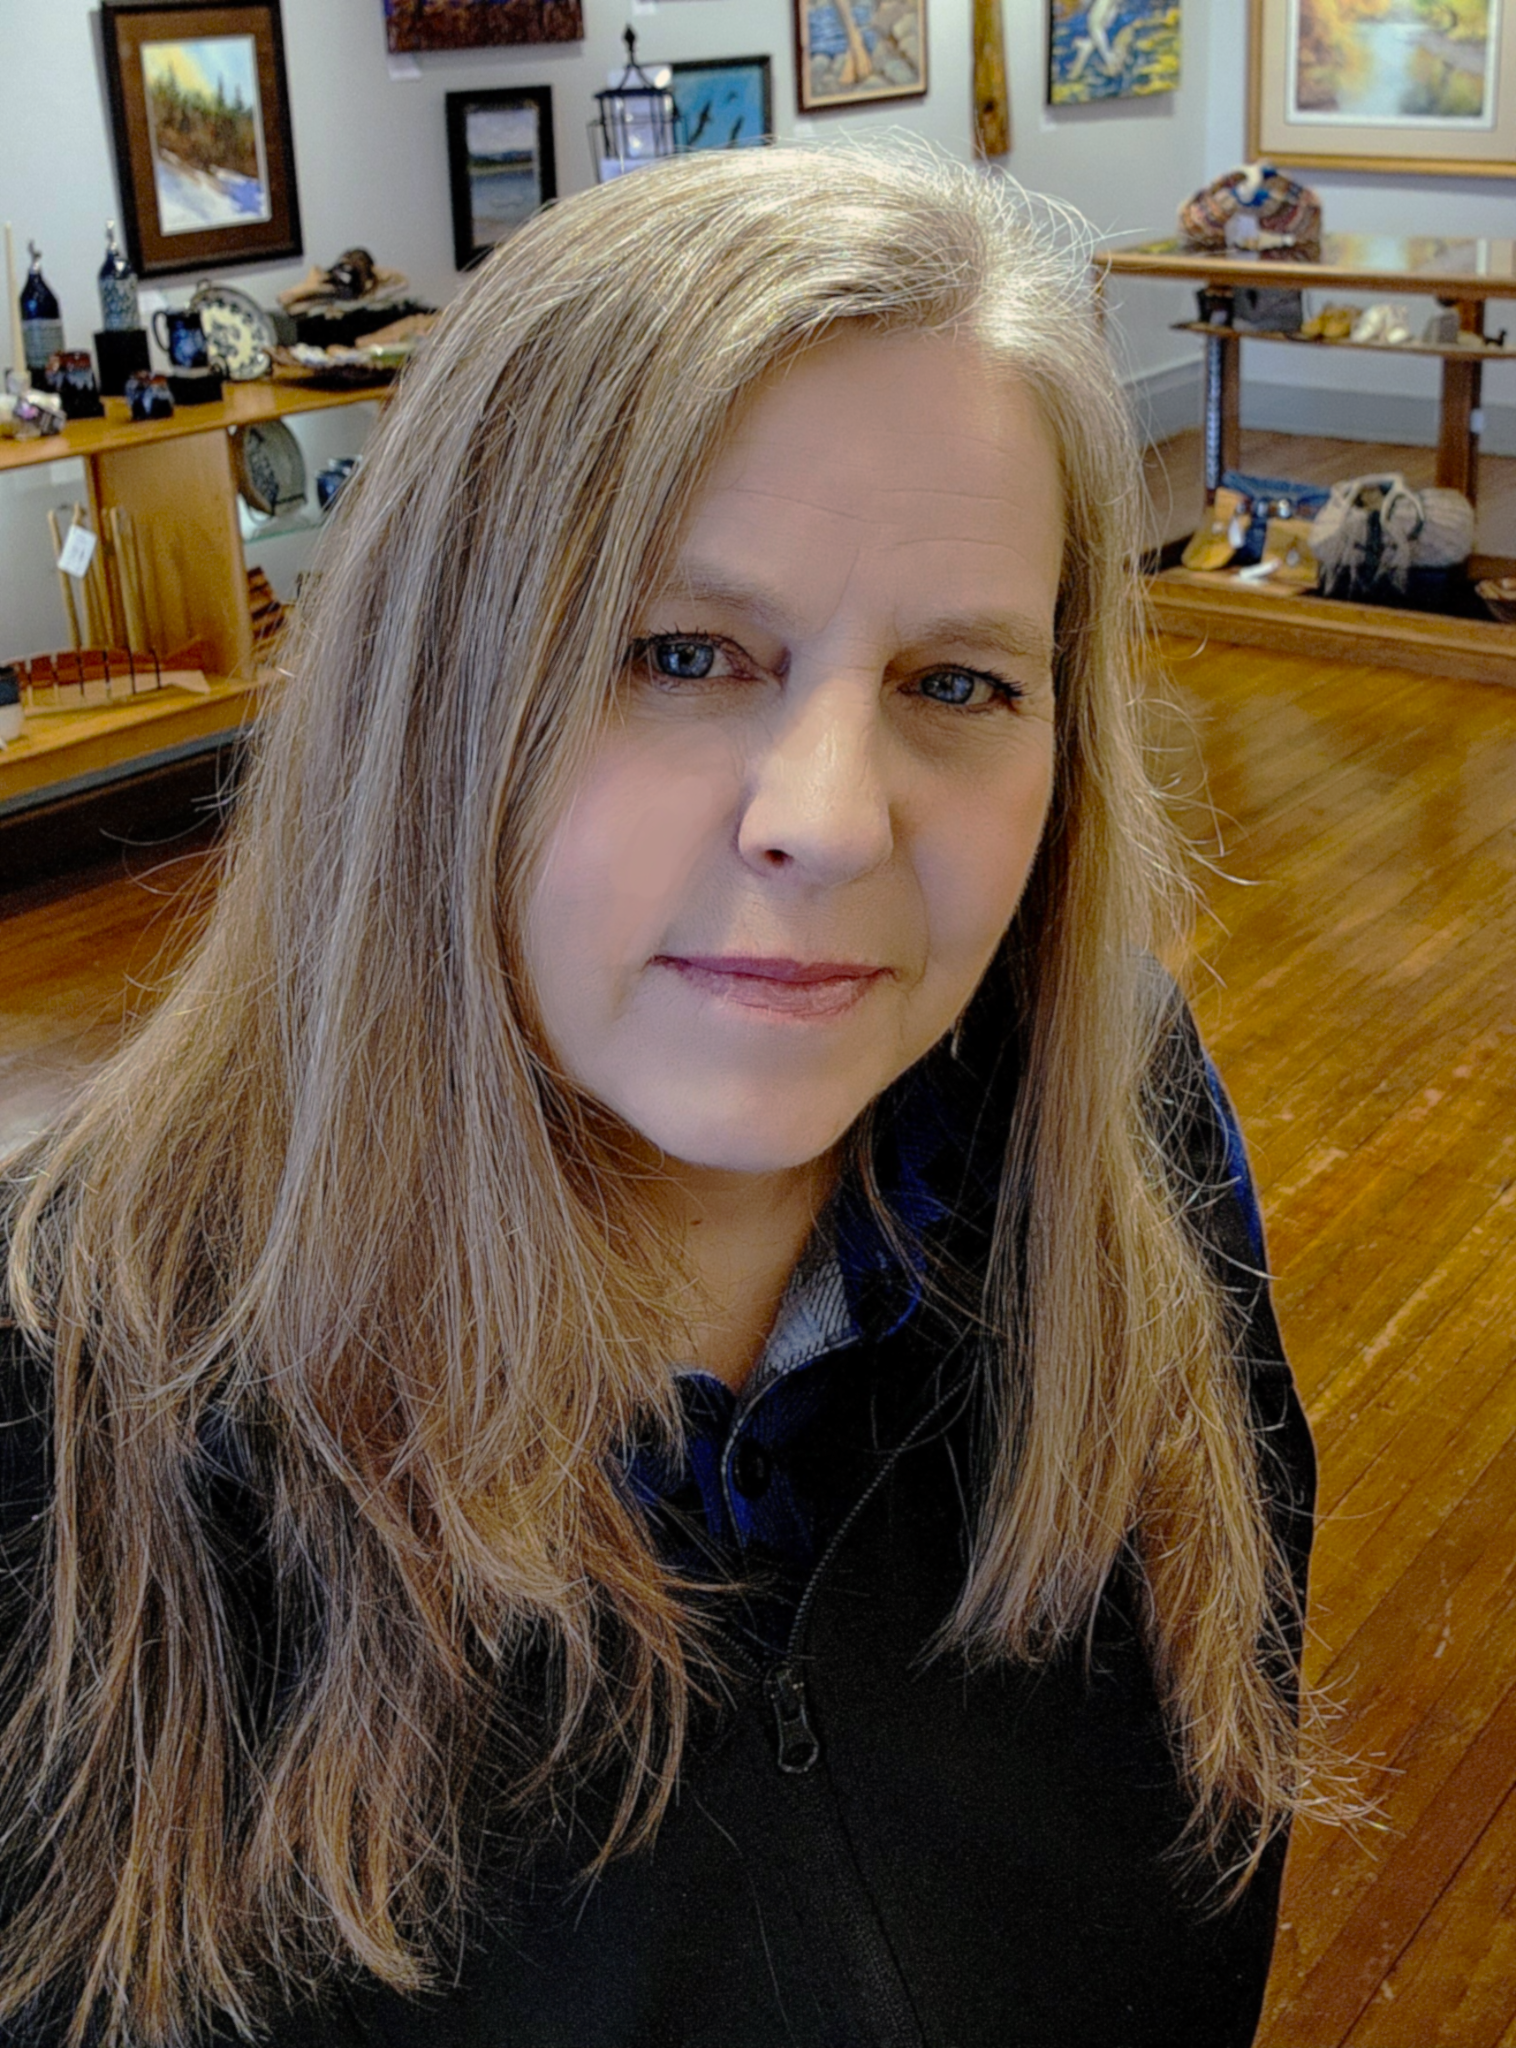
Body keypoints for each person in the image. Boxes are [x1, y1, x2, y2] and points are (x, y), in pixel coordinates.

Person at [0, 147, 1318, 2047]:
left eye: (958, 683)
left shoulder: (1118, 1139)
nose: (828, 818)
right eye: (681, 654)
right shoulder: (58, 1407)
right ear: (430, 690)